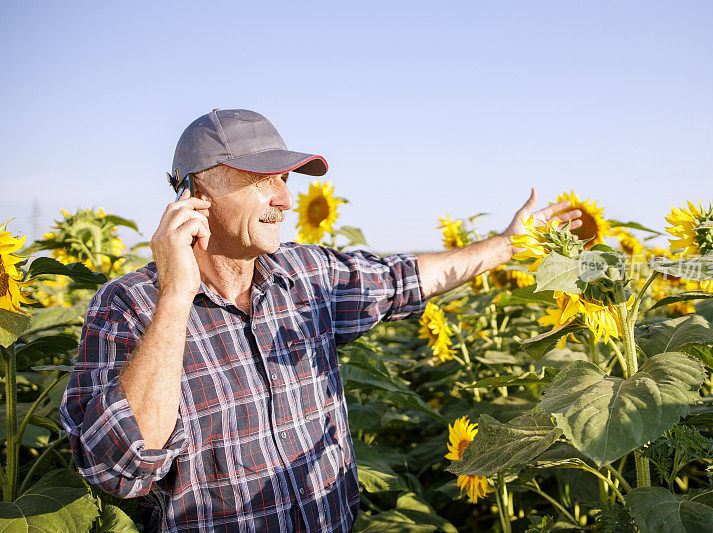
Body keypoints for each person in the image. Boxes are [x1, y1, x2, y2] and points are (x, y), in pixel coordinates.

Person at [60, 109, 582, 532]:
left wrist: (507, 245)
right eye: (263, 180)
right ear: (196, 195)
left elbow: (410, 278)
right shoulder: (127, 307)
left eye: (285, 180)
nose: (286, 200)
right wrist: (176, 296)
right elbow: (122, 469)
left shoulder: (307, 276)